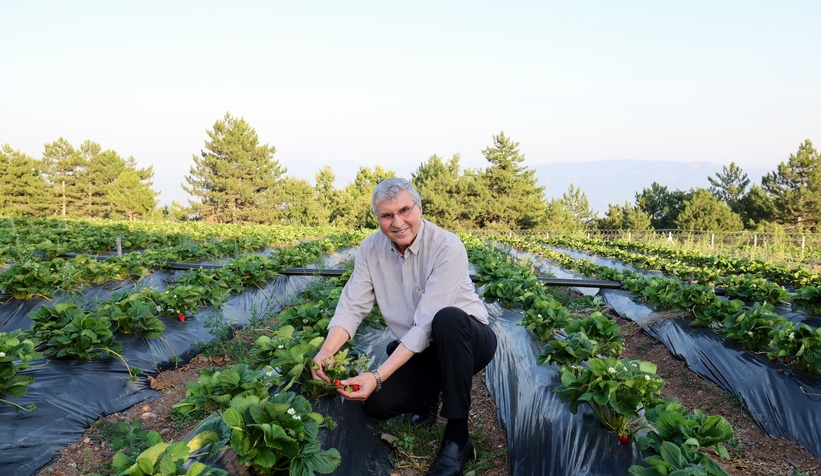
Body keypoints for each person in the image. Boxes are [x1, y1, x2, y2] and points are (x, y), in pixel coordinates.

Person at [310, 177, 497, 476]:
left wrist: (376, 374)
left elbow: (426, 324)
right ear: (378, 218)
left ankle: (458, 437)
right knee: (377, 405)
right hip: (422, 348)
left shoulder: (446, 245)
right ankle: (429, 393)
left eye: (404, 210)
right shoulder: (370, 250)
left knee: (447, 319)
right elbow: (352, 305)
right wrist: (327, 350)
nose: (397, 222)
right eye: (386, 215)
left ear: (419, 208)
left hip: (468, 340)